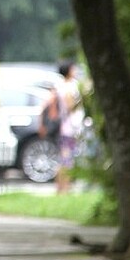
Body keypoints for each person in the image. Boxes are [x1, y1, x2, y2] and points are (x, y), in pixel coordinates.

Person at [40, 60, 84, 194]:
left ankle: (61, 187)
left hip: (65, 126)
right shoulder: (69, 86)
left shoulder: (59, 86)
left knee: (64, 157)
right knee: (66, 159)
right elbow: (70, 105)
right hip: (70, 127)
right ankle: (64, 188)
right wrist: (82, 99)